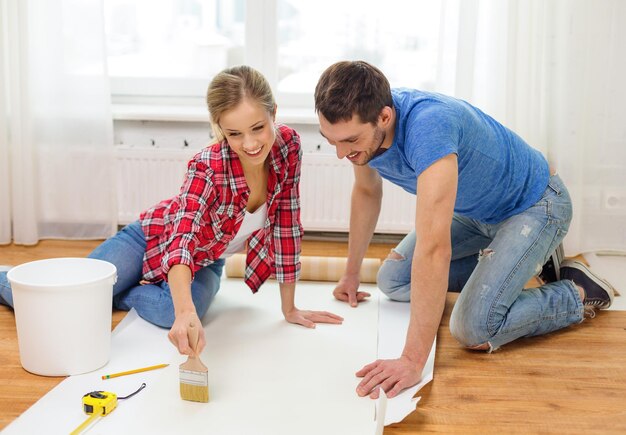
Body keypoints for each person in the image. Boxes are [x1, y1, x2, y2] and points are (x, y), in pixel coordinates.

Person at [314, 60, 616, 399]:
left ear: (384, 117)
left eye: (349, 140)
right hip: (476, 213)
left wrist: (412, 360)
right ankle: (519, 265)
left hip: (535, 206)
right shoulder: (365, 136)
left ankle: (577, 290)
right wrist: (351, 274)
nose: (341, 154)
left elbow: (434, 250)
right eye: (331, 140)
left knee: (474, 327)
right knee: (393, 280)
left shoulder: (429, 127)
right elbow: (367, 192)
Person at [0, 65, 343, 356]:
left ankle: (112, 293)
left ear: (274, 113)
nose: (251, 144)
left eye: (258, 128)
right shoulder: (207, 166)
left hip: (207, 259)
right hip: (149, 238)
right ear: (219, 127)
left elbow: (286, 223)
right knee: (67, 300)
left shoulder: (289, 148)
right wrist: (186, 312)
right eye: (235, 134)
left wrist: (289, 308)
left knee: (167, 311)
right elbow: (181, 240)